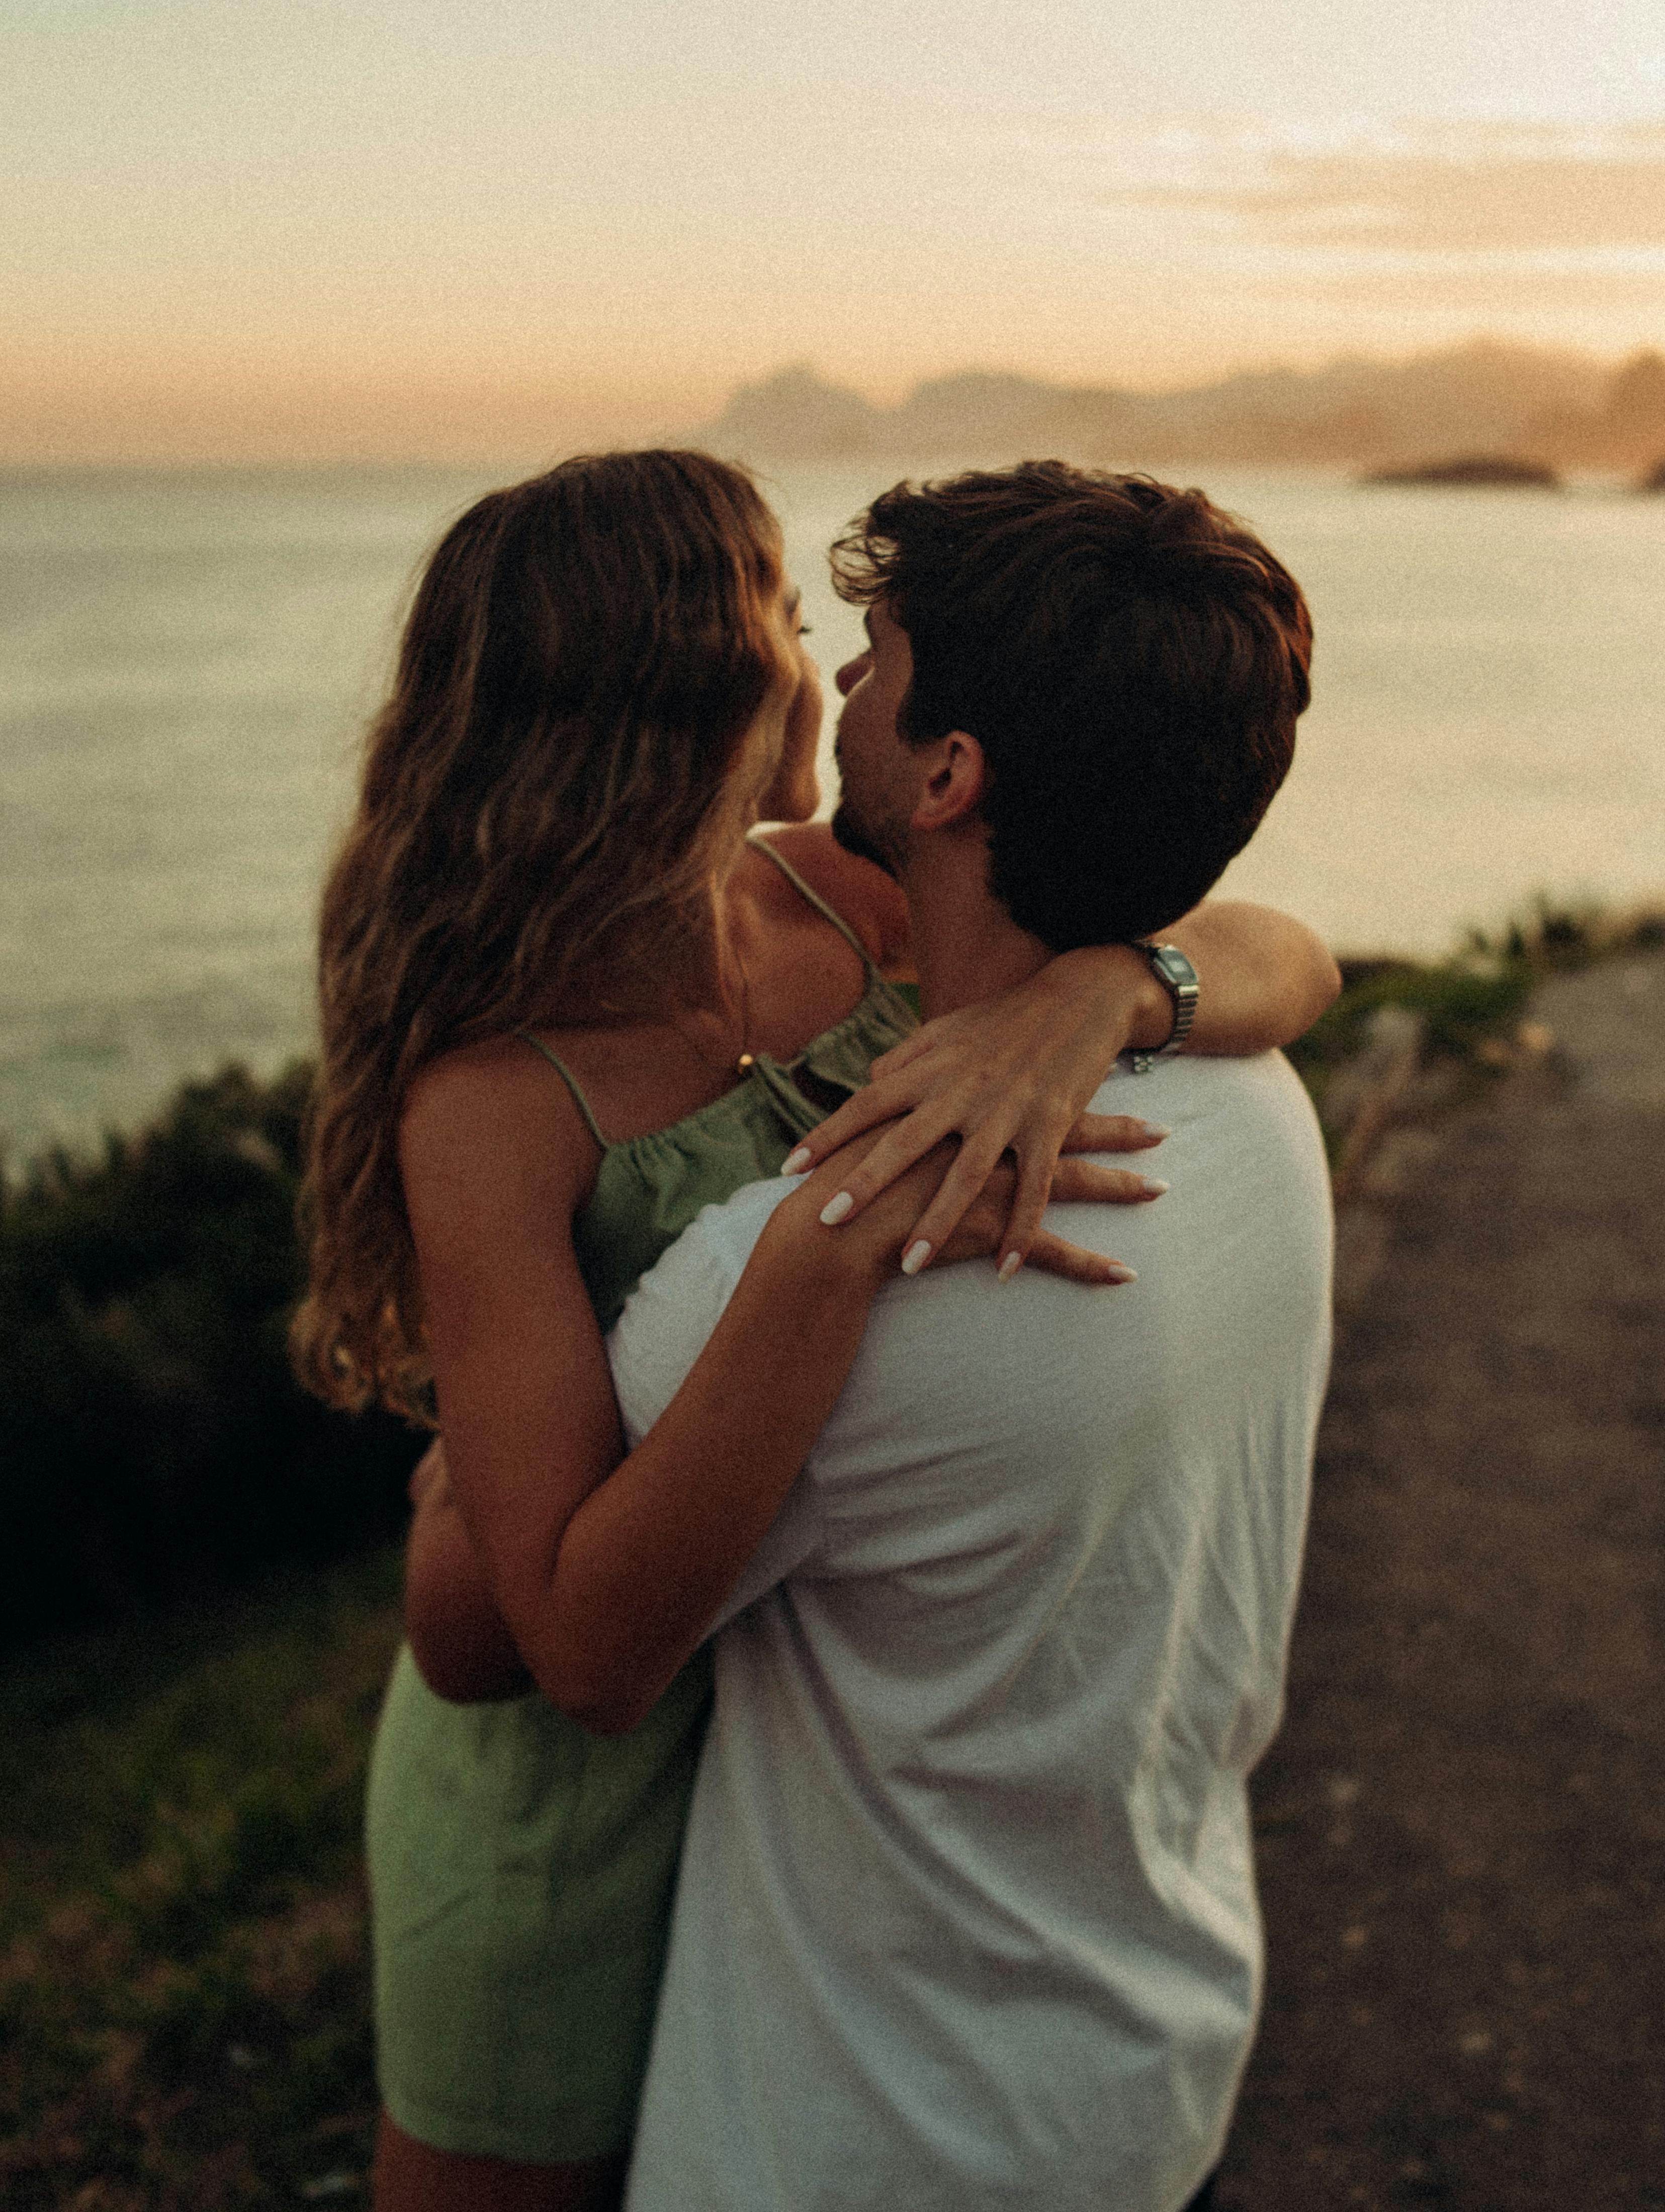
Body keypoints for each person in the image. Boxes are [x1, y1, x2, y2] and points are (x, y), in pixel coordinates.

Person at [290, 449, 1339, 2212]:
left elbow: (1287, 956)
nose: (824, 664)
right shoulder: (495, 1097)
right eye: (786, 622)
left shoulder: (849, 906)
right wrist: (814, 1252)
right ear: (690, 698)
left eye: (842, 633)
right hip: (567, 1803)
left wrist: (1107, 990)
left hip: (785, 1748)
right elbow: (501, 1634)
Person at [602, 462, 1336, 2209]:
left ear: (949, 775)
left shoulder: (793, 1278)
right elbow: (1284, 959)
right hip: (1144, 2081)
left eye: (877, 657)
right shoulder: (1261, 1105)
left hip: (860, 2145)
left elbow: (563, 1642)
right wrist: (1120, 983)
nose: (838, 687)